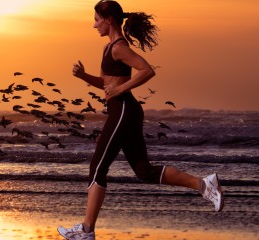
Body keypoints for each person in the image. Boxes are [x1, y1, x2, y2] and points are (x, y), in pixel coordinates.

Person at [57, 1, 224, 239]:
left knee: (97, 168)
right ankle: (204, 185)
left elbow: (147, 70)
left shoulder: (118, 47)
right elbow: (107, 84)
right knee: (144, 171)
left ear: (109, 20)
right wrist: (83, 76)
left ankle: (86, 231)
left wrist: (121, 89)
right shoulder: (107, 49)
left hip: (125, 110)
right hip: (125, 111)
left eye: (97, 20)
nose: (94, 25)